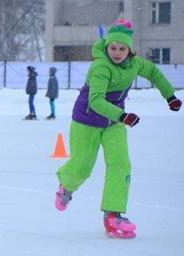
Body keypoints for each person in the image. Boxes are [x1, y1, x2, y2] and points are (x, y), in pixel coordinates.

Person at [54, 18, 181, 239]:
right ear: (107, 46)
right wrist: (123, 115)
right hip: (87, 120)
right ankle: (66, 185)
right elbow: (96, 101)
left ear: (130, 50)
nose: (117, 52)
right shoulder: (101, 67)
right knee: (82, 166)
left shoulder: (135, 64)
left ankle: (113, 214)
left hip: (114, 123)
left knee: (121, 165)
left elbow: (155, 73)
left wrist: (169, 96)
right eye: (113, 47)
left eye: (122, 48)